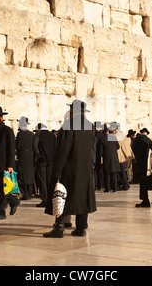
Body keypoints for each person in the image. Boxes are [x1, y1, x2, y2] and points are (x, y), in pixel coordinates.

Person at [44, 100, 97, 238]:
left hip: (70, 168)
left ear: (73, 111)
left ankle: (59, 227)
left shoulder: (69, 125)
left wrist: (57, 172)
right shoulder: (90, 126)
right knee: (82, 197)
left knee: (63, 195)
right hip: (85, 169)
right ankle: (81, 228)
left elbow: (63, 150)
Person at [33, 122, 56, 206]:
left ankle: (45, 199)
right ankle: (50, 199)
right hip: (51, 161)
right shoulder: (52, 135)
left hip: (42, 161)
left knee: (42, 180)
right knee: (49, 180)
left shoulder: (38, 134)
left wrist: (38, 154)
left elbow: (35, 146)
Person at [15, 117, 35, 202]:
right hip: (31, 156)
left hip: (23, 155)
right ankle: (30, 193)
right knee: (30, 175)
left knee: (22, 175)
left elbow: (18, 146)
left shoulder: (20, 134)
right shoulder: (31, 134)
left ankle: (25, 194)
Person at [99, 122, 121, 192]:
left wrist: (101, 158)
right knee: (114, 174)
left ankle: (107, 188)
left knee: (107, 174)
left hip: (106, 158)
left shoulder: (102, 139)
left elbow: (101, 151)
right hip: (114, 158)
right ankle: (115, 188)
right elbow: (118, 147)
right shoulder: (113, 137)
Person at [114, 123, 133, 191]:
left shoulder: (115, 136)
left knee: (120, 172)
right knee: (123, 171)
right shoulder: (122, 135)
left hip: (118, 156)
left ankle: (124, 185)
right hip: (123, 157)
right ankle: (125, 184)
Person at [93, 122, 105, 190]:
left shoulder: (95, 136)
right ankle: (102, 184)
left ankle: (97, 185)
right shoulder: (104, 135)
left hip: (96, 156)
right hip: (103, 156)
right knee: (102, 171)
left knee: (96, 172)